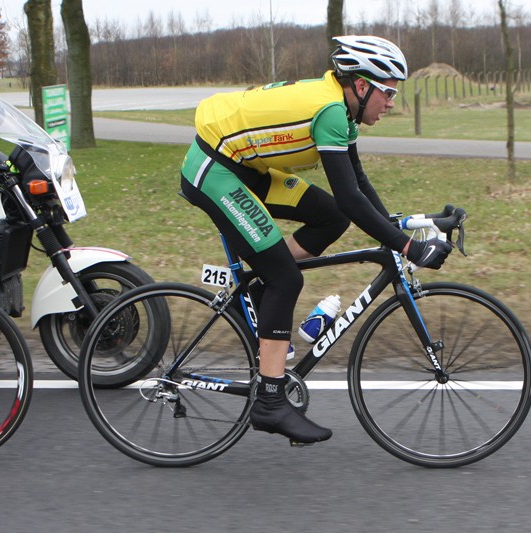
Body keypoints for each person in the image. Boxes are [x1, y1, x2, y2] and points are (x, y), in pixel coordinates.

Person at [179, 35, 452, 444]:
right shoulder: (330, 112)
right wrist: (408, 247)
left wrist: (401, 226)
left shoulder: (342, 111)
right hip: (216, 171)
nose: (392, 102)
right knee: (286, 279)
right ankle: (270, 403)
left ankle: (257, 289)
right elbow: (351, 195)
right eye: (388, 92)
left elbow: (356, 187)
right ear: (361, 86)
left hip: (243, 166)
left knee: (331, 218)